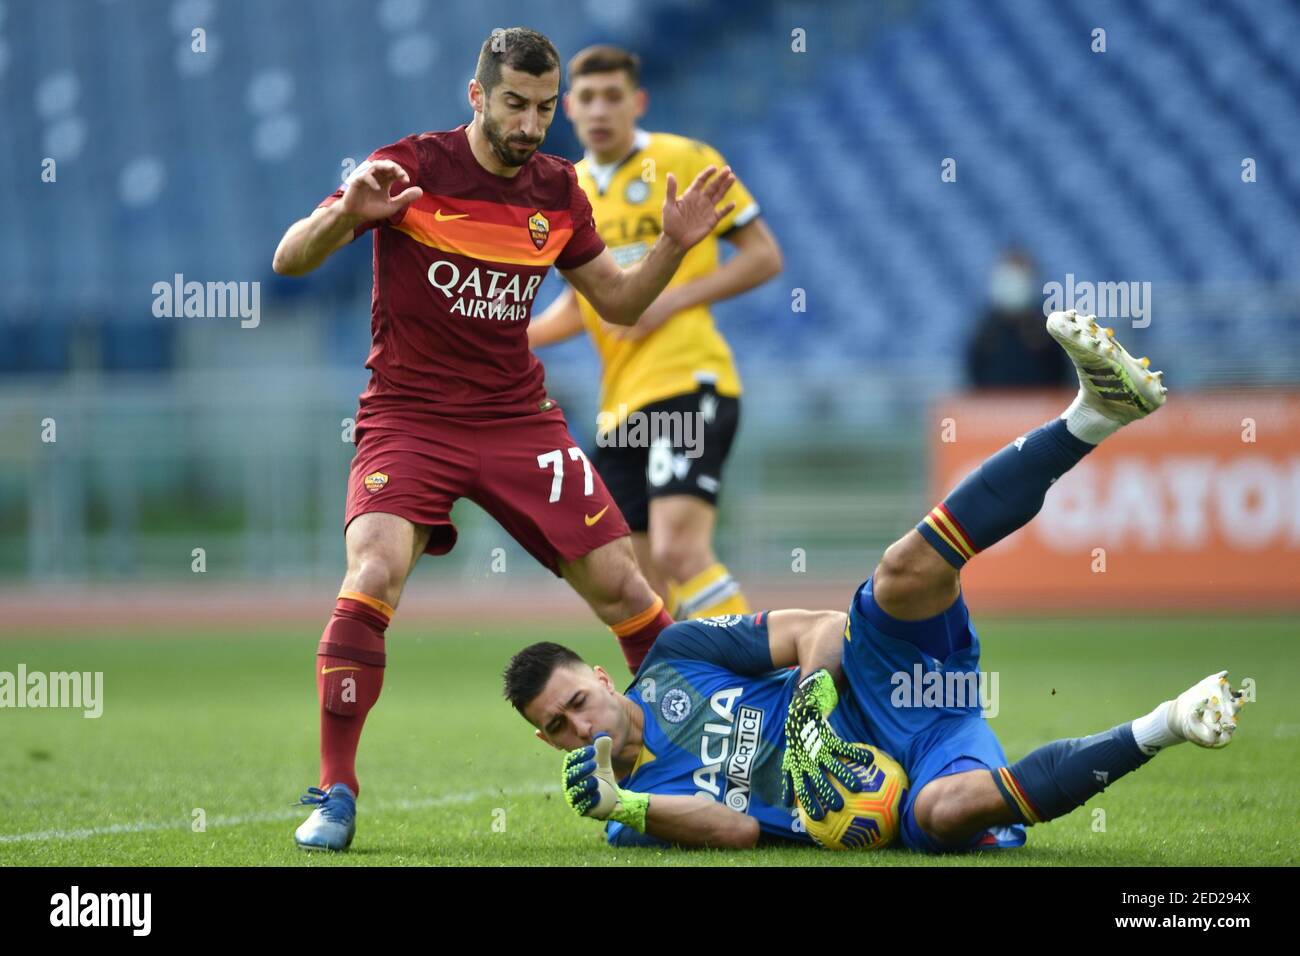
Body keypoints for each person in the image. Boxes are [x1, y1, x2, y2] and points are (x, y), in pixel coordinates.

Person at [504, 312, 1244, 851]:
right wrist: (625, 808)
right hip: (917, 759)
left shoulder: (676, 657)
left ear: (601, 678)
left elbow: (817, 629)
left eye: (575, 702)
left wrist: (807, 705)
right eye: (557, 727)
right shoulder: (633, 811)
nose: (580, 726)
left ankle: (1093, 414)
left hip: (873, 682)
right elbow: (732, 831)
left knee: (900, 571)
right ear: (547, 743)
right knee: (948, 813)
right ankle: (1170, 723)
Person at [272, 27, 739, 851]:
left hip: (518, 420)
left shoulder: (559, 190)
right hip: (408, 416)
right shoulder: (408, 167)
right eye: (516, 105)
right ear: (478, 96)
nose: (531, 125)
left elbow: (621, 305)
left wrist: (673, 244)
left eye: (545, 108)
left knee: (628, 591)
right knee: (374, 570)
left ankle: (697, 755)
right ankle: (336, 790)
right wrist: (346, 214)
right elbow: (289, 259)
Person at [528, 45, 782, 621]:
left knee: (678, 548)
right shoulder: (568, 189)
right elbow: (581, 305)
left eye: (613, 97)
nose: (600, 110)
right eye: (587, 98)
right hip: (618, 404)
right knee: (635, 579)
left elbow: (764, 256)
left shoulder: (684, 159)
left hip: (687, 382)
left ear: (637, 101)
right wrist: (513, 338)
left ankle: (762, 678)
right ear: (568, 107)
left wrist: (670, 302)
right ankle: (671, 701)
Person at [966, 251, 1074, 388]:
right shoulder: (986, 331)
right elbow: (975, 373)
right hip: (996, 405)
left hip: (1042, 405)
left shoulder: (1048, 329)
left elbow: (1061, 374)